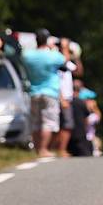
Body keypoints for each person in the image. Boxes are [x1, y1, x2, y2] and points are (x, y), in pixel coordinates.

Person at [22, 29, 66, 158]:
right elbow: (65, 60)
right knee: (48, 122)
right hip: (50, 92)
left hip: (33, 92)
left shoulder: (27, 55)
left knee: (36, 122)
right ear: (47, 40)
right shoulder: (53, 56)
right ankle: (43, 149)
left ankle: (37, 150)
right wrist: (60, 47)